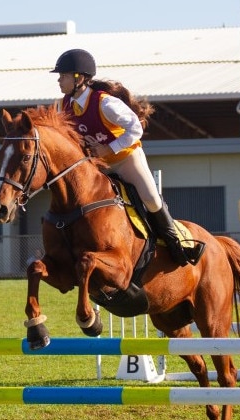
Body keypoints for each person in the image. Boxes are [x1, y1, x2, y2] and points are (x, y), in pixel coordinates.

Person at [50, 48, 205, 267]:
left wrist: (108, 148)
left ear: (80, 78)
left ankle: (178, 244)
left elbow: (135, 128)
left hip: (126, 160)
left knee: (150, 198)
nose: (59, 81)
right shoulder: (63, 105)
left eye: (63, 76)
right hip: (99, 166)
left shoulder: (105, 103)